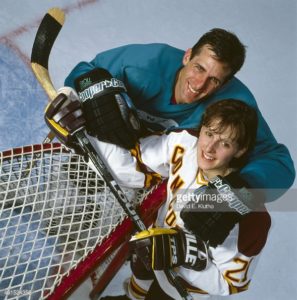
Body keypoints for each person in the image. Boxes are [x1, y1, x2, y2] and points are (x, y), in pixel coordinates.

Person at [45, 82, 271, 299]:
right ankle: (133, 296)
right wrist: (84, 138)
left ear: (240, 151)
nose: (209, 148)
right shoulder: (185, 143)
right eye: (209, 134)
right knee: (141, 270)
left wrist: (184, 253)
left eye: (225, 143)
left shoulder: (251, 217)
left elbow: (232, 283)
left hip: (183, 284)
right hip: (153, 239)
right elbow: (132, 163)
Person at [56, 28, 294, 202]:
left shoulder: (235, 106)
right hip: (118, 147)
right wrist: (75, 94)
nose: (199, 85)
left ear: (226, 84)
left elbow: (279, 164)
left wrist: (237, 192)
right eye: (198, 68)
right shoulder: (144, 64)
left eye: (214, 80)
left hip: (164, 180)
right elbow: (87, 72)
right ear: (187, 56)